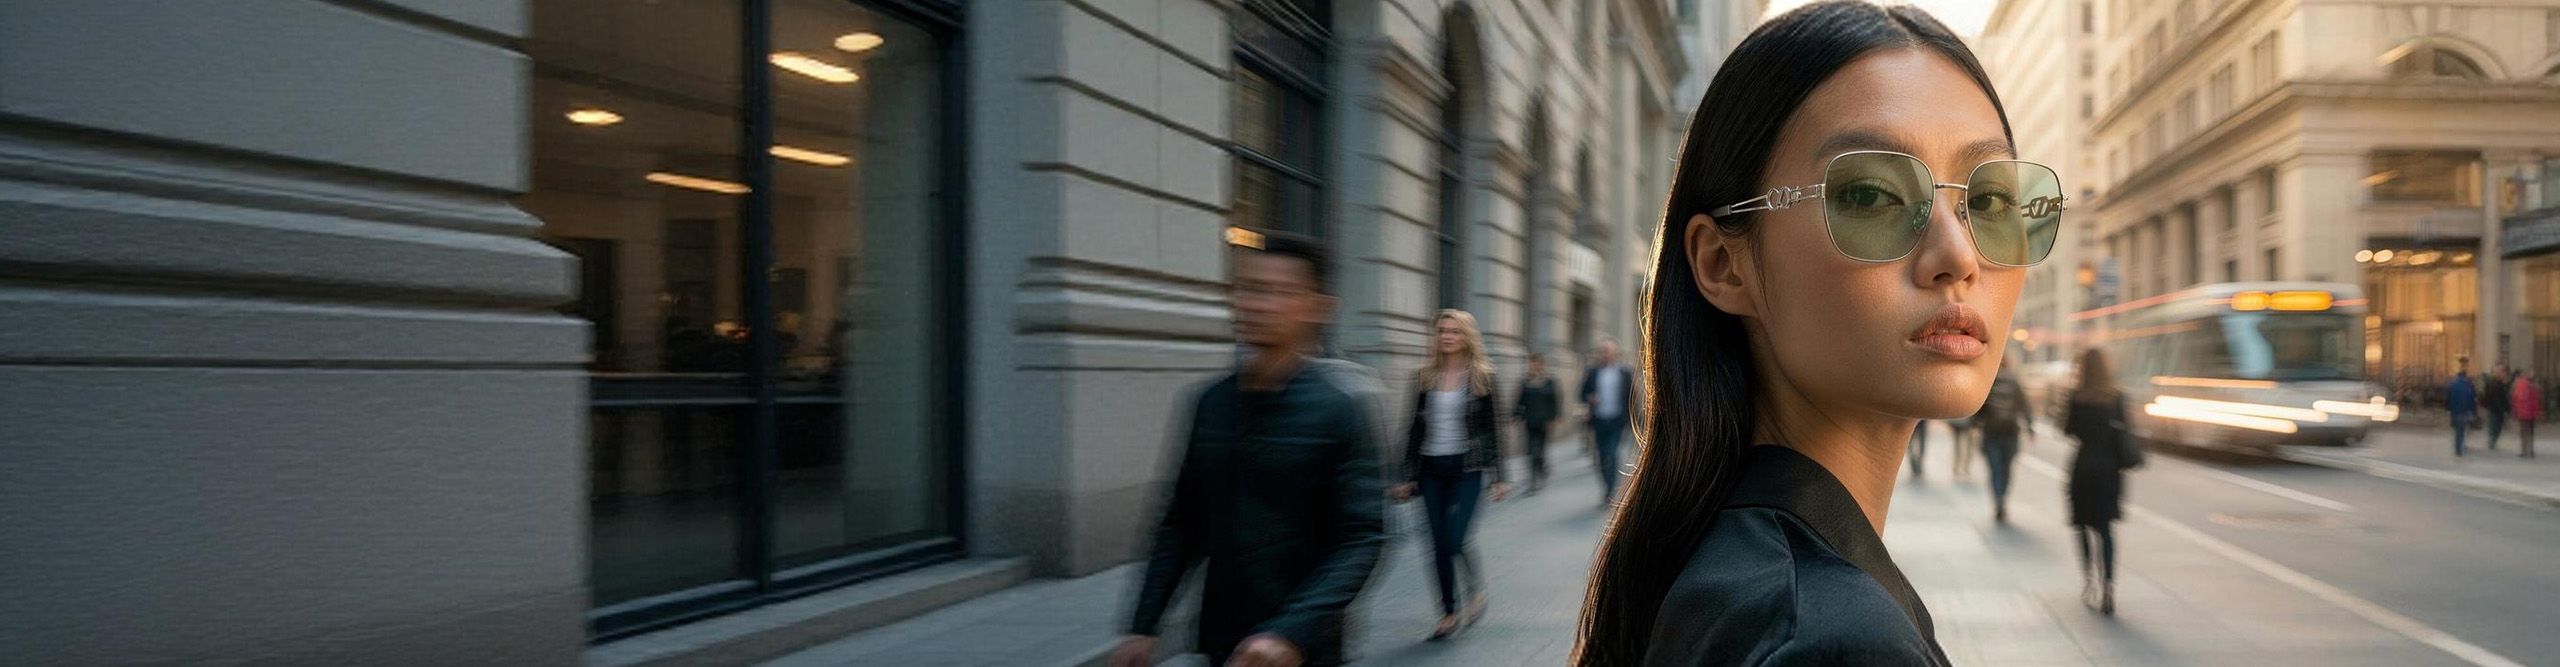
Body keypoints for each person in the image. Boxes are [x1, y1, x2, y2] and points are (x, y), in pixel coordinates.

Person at [1575, 2, 2060, 663]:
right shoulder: (1831, 638)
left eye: (1991, 201)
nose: (1959, 255)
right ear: (1724, 264)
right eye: (1870, 195)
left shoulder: (1740, 565)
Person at [1117, 232, 1386, 667]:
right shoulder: (1209, 403)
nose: (1259, 304)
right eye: (1251, 289)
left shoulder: (1340, 409)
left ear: (1317, 308)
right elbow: (1181, 524)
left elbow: (1364, 538)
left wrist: (1289, 633)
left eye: (1281, 292)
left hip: (1304, 648)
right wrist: (1143, 625)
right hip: (1225, 640)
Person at [1390, 310, 1512, 641]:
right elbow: (1413, 429)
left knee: (1454, 538)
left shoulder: (1483, 377)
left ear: (1466, 336)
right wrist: (1405, 474)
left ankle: (1474, 588)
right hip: (1431, 469)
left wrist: (1500, 476)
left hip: (1466, 468)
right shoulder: (1424, 377)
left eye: (1454, 331)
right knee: (1436, 544)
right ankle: (1447, 612)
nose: (1447, 336)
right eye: (1442, 330)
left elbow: (1493, 430)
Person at [2063, 349, 2136, 615]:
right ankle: (2108, 586)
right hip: (2109, 471)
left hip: (2083, 468)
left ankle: (2088, 580)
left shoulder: (2077, 397)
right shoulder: (2117, 397)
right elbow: (2127, 428)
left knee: (2082, 525)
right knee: (2105, 530)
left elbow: (2068, 430)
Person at [1580, 339, 1636, 506]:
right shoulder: (1592, 372)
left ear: (1614, 353)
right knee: (1601, 456)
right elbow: (1582, 393)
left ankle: (1610, 491)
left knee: (1611, 453)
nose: (1604, 354)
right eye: (1602, 350)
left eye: (1607, 350)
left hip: (1617, 421)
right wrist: (1588, 398)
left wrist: (1635, 420)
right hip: (1598, 421)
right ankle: (1607, 486)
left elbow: (1632, 397)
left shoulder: (1624, 372)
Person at [1976, 355, 2030, 523]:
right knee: (2007, 469)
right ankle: (2003, 497)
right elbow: (2024, 405)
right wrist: (2030, 426)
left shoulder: (1989, 383)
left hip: (1991, 431)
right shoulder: (2014, 382)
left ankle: (1998, 499)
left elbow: (1979, 408)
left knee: (1995, 469)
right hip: (2011, 432)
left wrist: (1975, 424)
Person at [1515, 352, 1564, 495]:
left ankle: (1542, 467)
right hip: (1530, 420)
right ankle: (1533, 481)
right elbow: (1520, 400)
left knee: (1540, 450)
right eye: (1531, 363)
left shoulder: (1549, 381)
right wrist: (1516, 415)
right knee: (1531, 450)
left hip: (1544, 421)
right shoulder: (1525, 381)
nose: (1533, 365)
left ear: (1541, 364)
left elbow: (1555, 400)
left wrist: (1556, 416)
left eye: (1536, 363)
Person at [2448, 357, 2478, 458]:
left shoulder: (2453, 383)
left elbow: (2449, 397)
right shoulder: (2468, 384)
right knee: (2462, 430)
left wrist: (2449, 408)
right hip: (2464, 410)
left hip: (2455, 411)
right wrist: (2473, 411)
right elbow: (2472, 398)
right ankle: (2460, 448)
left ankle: (2458, 448)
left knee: (2458, 430)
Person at [2485, 364, 2512, 451]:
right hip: (2494, 410)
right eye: (2502, 372)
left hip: (2499, 410)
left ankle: (2492, 442)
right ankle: (2491, 443)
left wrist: (2507, 408)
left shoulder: (2501, 383)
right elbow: (2490, 397)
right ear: (2497, 373)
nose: (2504, 374)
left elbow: (2504, 398)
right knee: (2494, 427)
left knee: (2498, 427)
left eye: (2504, 372)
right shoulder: (2492, 383)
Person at [2515, 369, 2541, 459]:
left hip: (2524, 412)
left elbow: (2515, 398)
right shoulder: (2535, 386)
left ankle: (2524, 451)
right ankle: (2530, 451)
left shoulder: (2519, 384)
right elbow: (2537, 401)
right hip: (2529, 412)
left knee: (2524, 432)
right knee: (2529, 432)